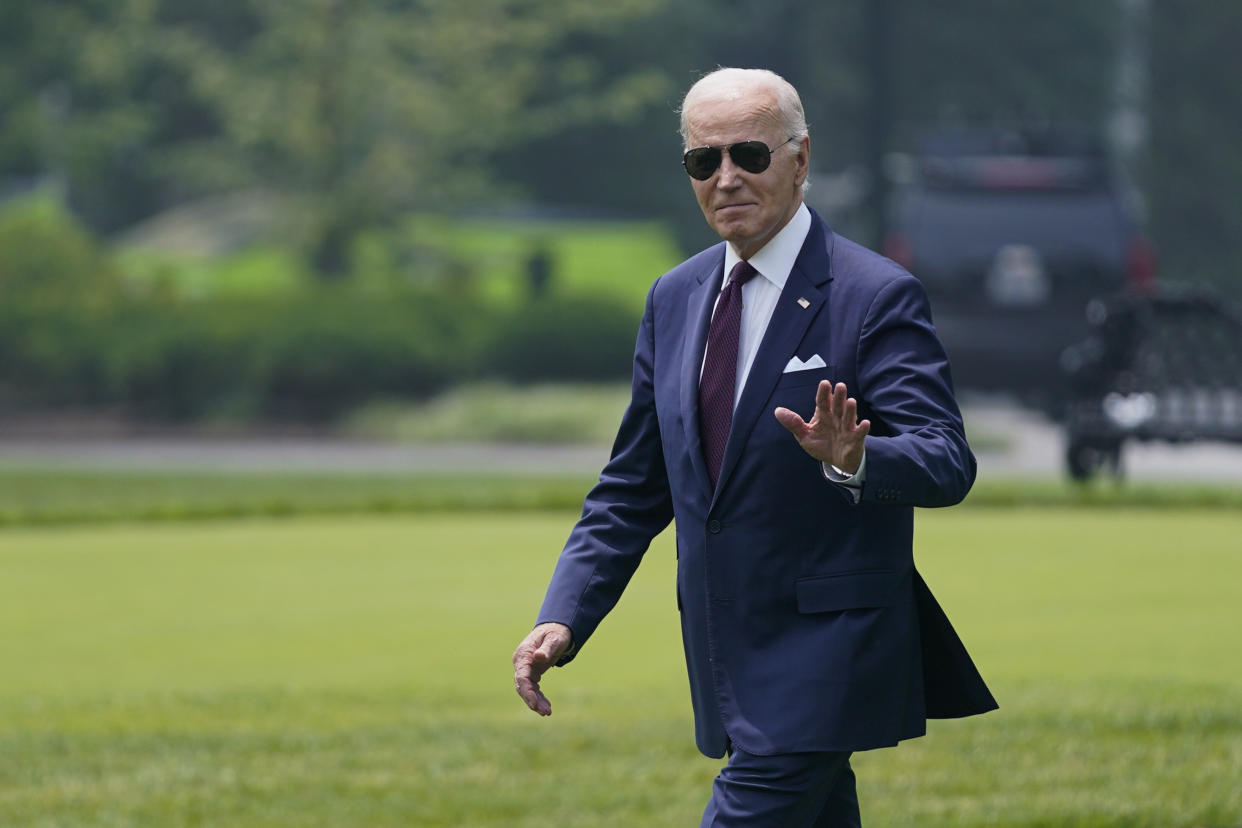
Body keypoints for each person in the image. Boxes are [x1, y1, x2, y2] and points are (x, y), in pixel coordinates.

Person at [512, 67, 997, 827]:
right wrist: (565, 613)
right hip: (725, 652)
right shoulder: (673, 298)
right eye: (705, 161)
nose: (727, 178)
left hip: (830, 653)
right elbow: (633, 488)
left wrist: (856, 458)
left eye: (750, 155)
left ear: (801, 160)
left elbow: (946, 460)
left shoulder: (875, 294)